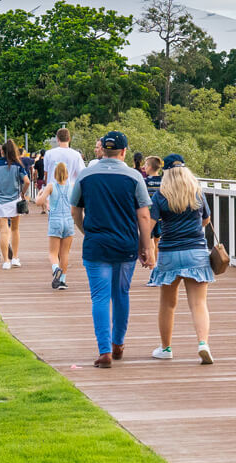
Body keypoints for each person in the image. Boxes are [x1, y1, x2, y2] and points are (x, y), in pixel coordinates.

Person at [70, 131, 154, 369]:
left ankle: (104, 350)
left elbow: (75, 210)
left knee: (99, 297)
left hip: (96, 244)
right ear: (124, 151)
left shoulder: (86, 175)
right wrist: (146, 247)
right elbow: (144, 214)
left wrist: (85, 230)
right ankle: (118, 344)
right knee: (121, 294)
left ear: (102, 150)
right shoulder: (134, 177)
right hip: (125, 244)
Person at [146, 163, 216, 365]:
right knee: (199, 303)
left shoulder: (160, 196)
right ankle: (203, 343)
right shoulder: (197, 194)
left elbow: (150, 226)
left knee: (168, 304)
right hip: (196, 252)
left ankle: (166, 348)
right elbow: (206, 220)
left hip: (169, 253)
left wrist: (146, 248)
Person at [0, 140, 29, 270]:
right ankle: (15, 258)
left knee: (3, 231)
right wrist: (22, 194)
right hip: (14, 200)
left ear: (1, 152)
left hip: (0, 201)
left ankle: (6, 260)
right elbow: (27, 181)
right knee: (15, 229)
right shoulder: (17, 165)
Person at [35, 160, 76, 291]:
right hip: (69, 221)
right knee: (65, 253)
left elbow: (39, 202)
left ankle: (55, 269)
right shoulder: (72, 186)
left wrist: (39, 195)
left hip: (55, 220)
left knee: (53, 253)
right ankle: (62, 280)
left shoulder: (51, 186)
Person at [44, 129, 86, 196]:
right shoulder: (76, 155)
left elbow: (46, 173)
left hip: (52, 192)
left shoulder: (49, 154)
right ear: (69, 139)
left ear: (57, 139)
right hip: (70, 192)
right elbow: (81, 174)